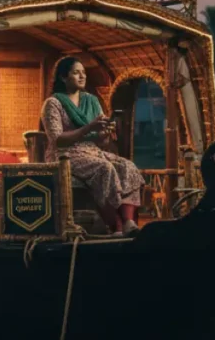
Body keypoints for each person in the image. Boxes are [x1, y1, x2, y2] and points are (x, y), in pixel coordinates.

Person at [40, 57, 145, 237]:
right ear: (63, 78)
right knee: (105, 169)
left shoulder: (91, 101)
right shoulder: (53, 104)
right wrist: (89, 127)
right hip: (65, 154)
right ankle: (116, 226)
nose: (82, 76)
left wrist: (105, 133)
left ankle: (129, 222)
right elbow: (57, 140)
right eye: (76, 72)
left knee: (128, 167)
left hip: (92, 151)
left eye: (84, 73)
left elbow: (101, 142)